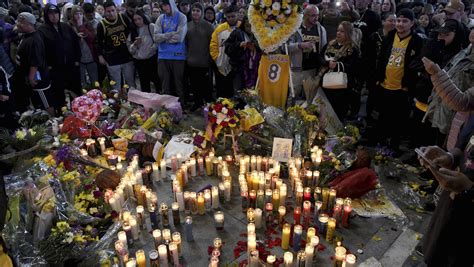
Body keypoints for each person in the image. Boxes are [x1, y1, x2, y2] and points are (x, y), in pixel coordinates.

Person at [418, 57, 474, 267]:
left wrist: (469, 188)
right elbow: (468, 143)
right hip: (455, 199)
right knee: (439, 249)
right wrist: (450, 156)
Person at [375, 8, 423, 153]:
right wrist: (378, 78)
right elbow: (382, 58)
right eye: (398, 20)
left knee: (398, 119)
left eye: (404, 21)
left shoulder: (417, 41)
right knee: (383, 116)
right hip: (385, 84)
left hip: (402, 88)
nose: (400, 24)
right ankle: (381, 143)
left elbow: (416, 65)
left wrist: (409, 85)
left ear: (412, 23)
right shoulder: (389, 36)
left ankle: (394, 146)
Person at [411, 19, 465, 147]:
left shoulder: (458, 55)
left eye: (447, 35)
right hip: (422, 96)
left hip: (439, 101)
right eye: (440, 34)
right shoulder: (433, 46)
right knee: (417, 129)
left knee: (430, 134)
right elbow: (415, 64)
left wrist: (430, 72)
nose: (442, 38)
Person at [424, 26, 474, 150]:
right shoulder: (463, 52)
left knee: (448, 149)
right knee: (435, 147)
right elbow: (449, 72)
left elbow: (464, 101)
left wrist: (436, 73)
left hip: (458, 115)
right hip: (442, 106)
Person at [38, 3, 81, 110]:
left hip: (71, 66)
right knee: (58, 94)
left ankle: (78, 113)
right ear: (46, 15)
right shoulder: (42, 30)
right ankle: (62, 115)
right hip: (55, 69)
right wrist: (47, 66)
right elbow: (40, 51)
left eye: (56, 13)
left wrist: (77, 60)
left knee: (75, 92)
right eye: (51, 13)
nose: (54, 16)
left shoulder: (65, 26)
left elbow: (75, 43)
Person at [321, 21, 360, 121]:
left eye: (342, 31)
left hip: (341, 88)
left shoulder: (352, 49)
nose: (338, 33)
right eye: (338, 30)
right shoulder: (330, 44)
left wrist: (337, 65)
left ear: (348, 33)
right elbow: (319, 58)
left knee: (338, 113)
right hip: (326, 84)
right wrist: (327, 63)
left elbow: (354, 68)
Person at [13, 12, 52, 112]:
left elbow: (34, 62)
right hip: (28, 77)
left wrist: (31, 78)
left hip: (38, 80)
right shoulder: (26, 35)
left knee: (45, 104)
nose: (18, 24)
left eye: (21, 22)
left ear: (29, 24)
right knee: (37, 104)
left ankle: (53, 122)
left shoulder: (34, 40)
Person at [288, 4, 327, 100]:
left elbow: (324, 49)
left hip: (312, 70)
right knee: (293, 96)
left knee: (309, 98)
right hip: (296, 69)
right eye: (313, 15)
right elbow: (286, 48)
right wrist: (300, 45)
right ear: (305, 15)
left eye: (317, 15)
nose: (316, 18)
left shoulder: (321, 30)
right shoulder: (295, 28)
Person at [97, 1, 135, 90]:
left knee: (131, 82)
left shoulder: (123, 18)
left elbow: (132, 31)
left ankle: (134, 102)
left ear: (116, 9)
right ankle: (119, 103)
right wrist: (100, 56)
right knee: (116, 84)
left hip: (126, 55)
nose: (111, 13)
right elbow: (98, 42)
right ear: (104, 11)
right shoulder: (101, 25)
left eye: (113, 10)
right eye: (108, 11)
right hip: (112, 57)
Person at [155, 0, 187, 104]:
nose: (164, 8)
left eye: (166, 4)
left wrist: (163, 36)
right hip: (163, 56)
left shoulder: (182, 17)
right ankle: (166, 110)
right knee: (165, 85)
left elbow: (180, 37)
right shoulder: (160, 18)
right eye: (162, 5)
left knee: (179, 85)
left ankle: (180, 107)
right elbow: (156, 37)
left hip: (178, 55)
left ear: (171, 3)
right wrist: (170, 34)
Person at [186, 2, 214, 110]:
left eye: (198, 10)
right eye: (193, 10)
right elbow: (186, 43)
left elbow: (213, 44)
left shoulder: (208, 26)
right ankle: (197, 103)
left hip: (205, 61)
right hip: (191, 61)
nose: (195, 12)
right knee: (194, 84)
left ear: (201, 12)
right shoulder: (187, 25)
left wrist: (211, 59)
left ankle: (207, 106)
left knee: (206, 86)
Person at [210, 5, 240, 98]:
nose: (230, 19)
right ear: (225, 16)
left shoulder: (241, 27)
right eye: (228, 17)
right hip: (221, 64)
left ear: (237, 15)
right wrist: (216, 58)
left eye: (233, 16)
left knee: (235, 91)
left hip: (237, 66)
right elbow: (213, 45)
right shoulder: (220, 28)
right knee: (221, 91)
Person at [224, 15, 261, 91]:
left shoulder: (258, 35)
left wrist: (255, 47)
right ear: (243, 25)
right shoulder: (237, 33)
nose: (250, 28)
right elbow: (227, 48)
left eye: (252, 26)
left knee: (253, 91)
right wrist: (239, 45)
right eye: (248, 26)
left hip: (254, 69)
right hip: (239, 68)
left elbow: (262, 49)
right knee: (239, 91)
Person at [127, 10, 160, 93]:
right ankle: (147, 103)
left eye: (139, 19)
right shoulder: (133, 31)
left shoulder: (151, 26)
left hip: (151, 59)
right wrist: (135, 44)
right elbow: (131, 51)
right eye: (135, 20)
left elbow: (158, 42)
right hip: (139, 61)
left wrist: (151, 50)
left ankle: (160, 101)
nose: (137, 21)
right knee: (144, 84)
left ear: (143, 18)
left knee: (157, 81)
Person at [69, 5, 99, 87]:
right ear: (72, 15)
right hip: (78, 60)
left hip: (91, 57)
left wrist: (81, 26)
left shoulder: (88, 24)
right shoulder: (69, 26)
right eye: (76, 14)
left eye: (80, 14)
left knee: (95, 82)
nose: (78, 16)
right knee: (82, 84)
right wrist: (76, 36)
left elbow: (92, 38)